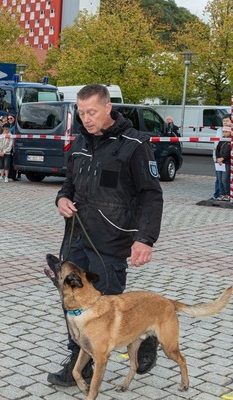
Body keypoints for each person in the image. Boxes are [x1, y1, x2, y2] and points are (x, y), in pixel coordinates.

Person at [49, 84, 164, 387]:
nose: (86, 118)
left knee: (108, 307)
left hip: (111, 243)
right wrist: (61, 199)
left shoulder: (134, 145)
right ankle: (79, 363)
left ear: (108, 107)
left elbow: (152, 195)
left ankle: (146, 335)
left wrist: (145, 239)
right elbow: (67, 186)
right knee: (72, 302)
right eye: (81, 112)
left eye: (92, 112)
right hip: (76, 238)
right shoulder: (78, 144)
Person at [214, 127, 233, 201]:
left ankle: (227, 193)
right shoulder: (222, 140)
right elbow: (217, 149)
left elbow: (230, 152)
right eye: (224, 132)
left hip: (226, 162)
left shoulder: (231, 141)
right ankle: (221, 193)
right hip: (219, 162)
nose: (225, 133)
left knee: (225, 179)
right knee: (219, 179)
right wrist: (218, 158)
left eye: (226, 132)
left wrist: (223, 158)